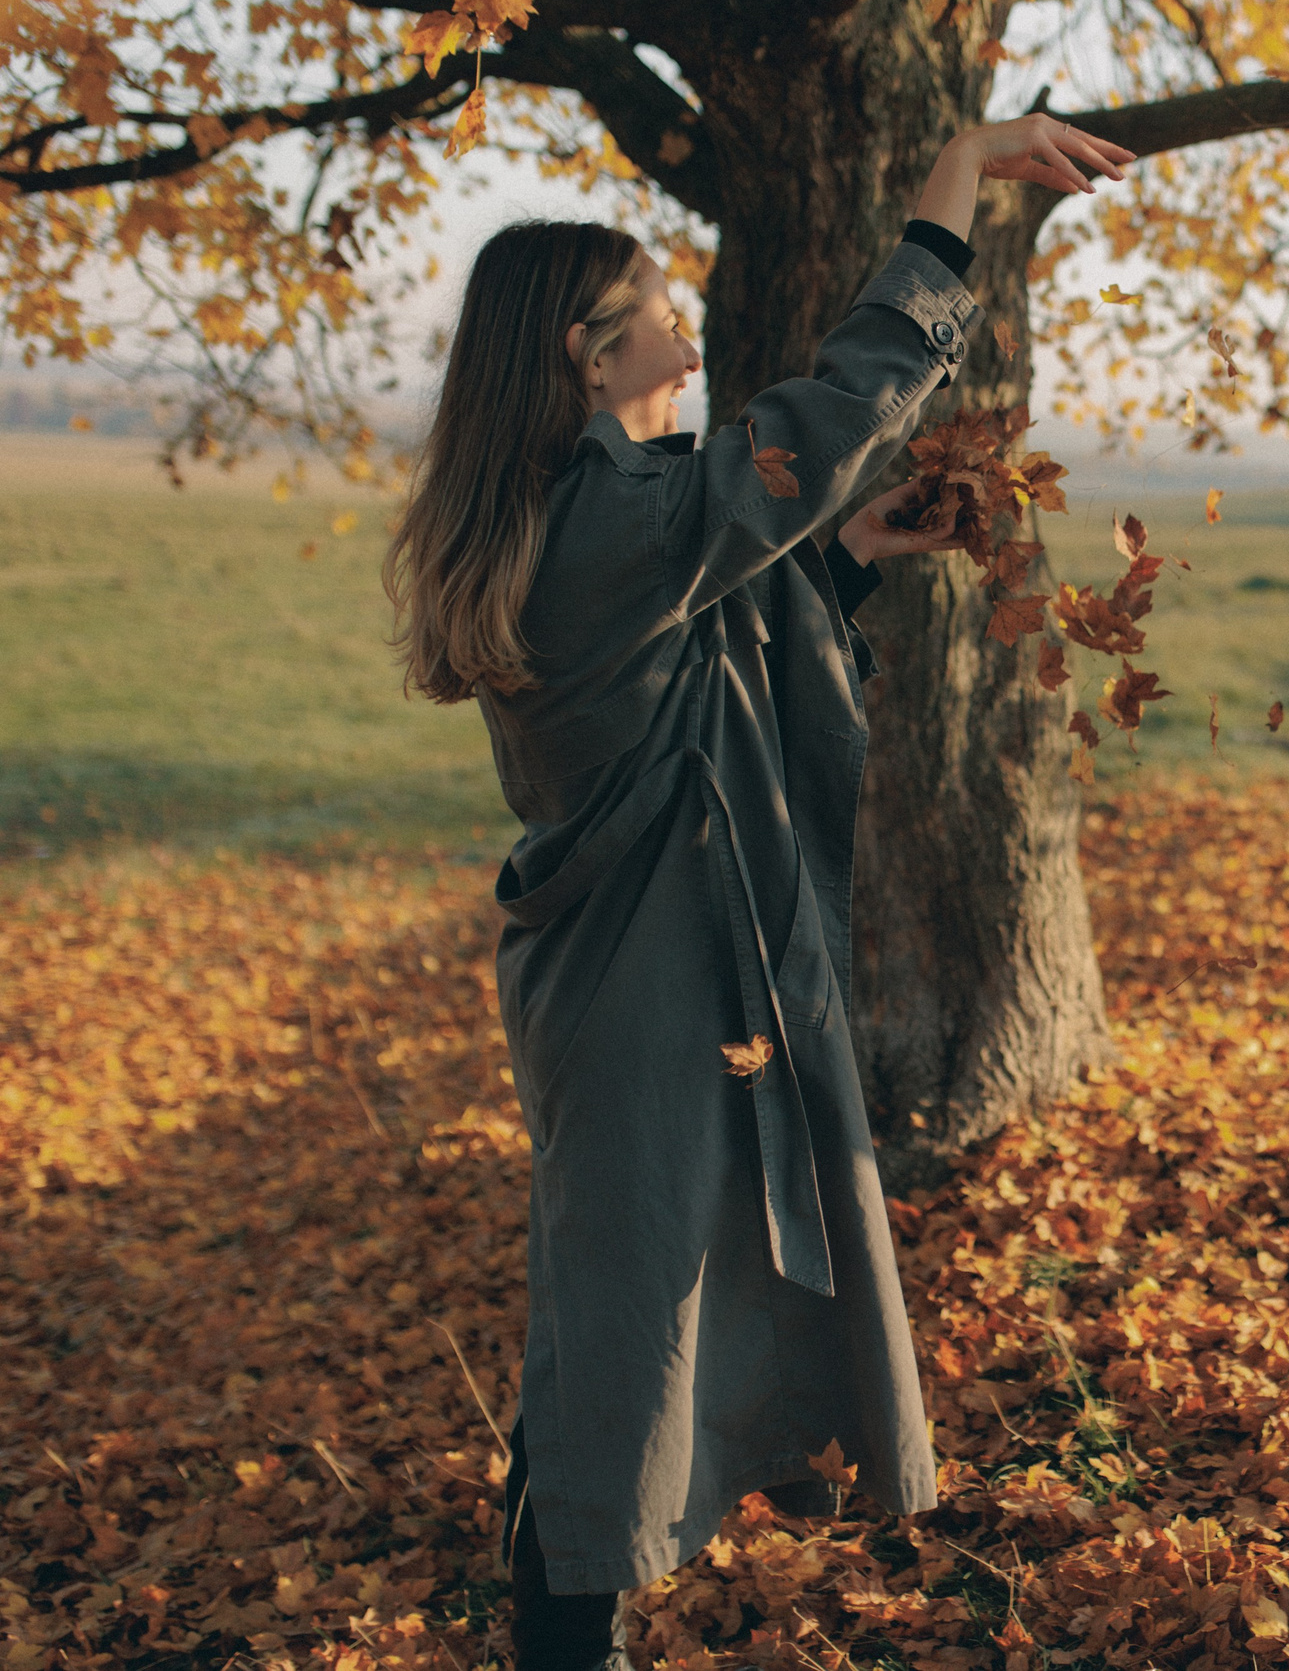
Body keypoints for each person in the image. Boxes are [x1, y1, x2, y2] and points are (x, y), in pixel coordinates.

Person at [383, 113, 1136, 1670]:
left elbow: (688, 646)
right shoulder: (611, 519)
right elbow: (850, 396)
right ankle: (563, 1640)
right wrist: (958, 169)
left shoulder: (607, 511)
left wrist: (845, 558)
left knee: (622, 1304)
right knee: (619, 1320)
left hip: (647, 973)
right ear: (593, 356)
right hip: (645, 984)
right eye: (656, 304)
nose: (681, 321)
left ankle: (572, 1601)